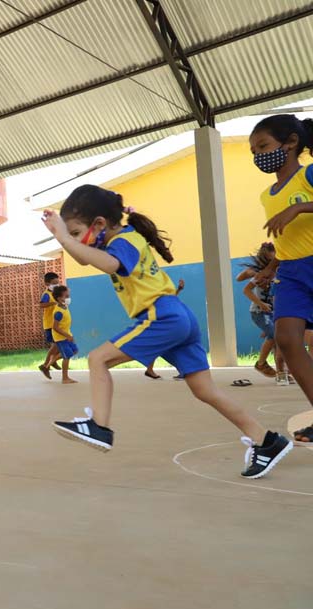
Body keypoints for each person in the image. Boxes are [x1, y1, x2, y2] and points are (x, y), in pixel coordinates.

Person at [43, 185, 292, 478]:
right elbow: (85, 257)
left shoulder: (124, 242)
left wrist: (62, 236)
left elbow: (108, 263)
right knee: (205, 390)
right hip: (177, 315)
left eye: (75, 232)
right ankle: (266, 441)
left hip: (160, 315)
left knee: (98, 359)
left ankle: (99, 426)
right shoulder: (121, 240)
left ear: (99, 224)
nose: (72, 239)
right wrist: (62, 235)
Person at [249, 114, 313, 443]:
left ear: (290, 143)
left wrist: (299, 208)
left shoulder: (308, 176)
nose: (258, 155)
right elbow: (285, 240)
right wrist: (270, 269)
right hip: (290, 273)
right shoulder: (267, 195)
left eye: (264, 146)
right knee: (286, 339)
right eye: (253, 150)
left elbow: (296, 218)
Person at [237, 243, 286, 383]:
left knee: (278, 340)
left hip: (273, 312)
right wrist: (261, 304)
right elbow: (245, 289)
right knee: (275, 335)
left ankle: (281, 373)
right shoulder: (260, 274)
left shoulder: (280, 273)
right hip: (259, 311)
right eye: (271, 260)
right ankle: (261, 363)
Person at [145, 278, 185, 379]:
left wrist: (179, 289)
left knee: (158, 349)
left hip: (159, 325)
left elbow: (171, 298)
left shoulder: (158, 295)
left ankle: (150, 370)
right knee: (169, 348)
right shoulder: (150, 296)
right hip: (159, 325)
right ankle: (184, 370)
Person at [50, 285, 78, 384]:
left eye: (68, 296)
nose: (68, 298)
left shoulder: (65, 306)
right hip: (61, 338)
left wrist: (69, 335)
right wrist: (67, 336)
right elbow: (55, 327)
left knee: (74, 350)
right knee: (67, 356)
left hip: (67, 334)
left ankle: (52, 361)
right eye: (66, 296)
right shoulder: (58, 312)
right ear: (59, 298)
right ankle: (65, 378)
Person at [38, 272, 62, 379]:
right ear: (47, 283)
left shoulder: (58, 293)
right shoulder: (47, 294)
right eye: (54, 283)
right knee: (57, 345)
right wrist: (53, 303)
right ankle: (46, 364)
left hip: (59, 324)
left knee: (58, 345)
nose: (56, 285)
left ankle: (51, 362)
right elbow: (41, 305)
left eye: (57, 282)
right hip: (50, 324)